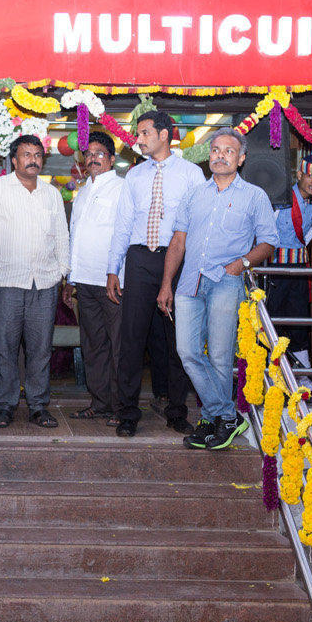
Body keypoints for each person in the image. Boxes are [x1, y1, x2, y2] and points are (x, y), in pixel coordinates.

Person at [157, 128, 277, 450]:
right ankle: (226, 415)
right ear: (209, 155)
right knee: (187, 352)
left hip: (227, 280)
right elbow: (178, 241)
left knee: (221, 357)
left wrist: (241, 264)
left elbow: (269, 241)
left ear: (241, 159)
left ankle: (212, 422)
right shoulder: (194, 194)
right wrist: (166, 283)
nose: (220, 155)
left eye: (228, 151)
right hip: (188, 282)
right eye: (216, 150)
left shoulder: (255, 196)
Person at [106, 110, 203, 437]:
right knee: (131, 340)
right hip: (138, 260)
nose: (139, 139)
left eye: (145, 132)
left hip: (178, 261)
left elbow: (198, 226)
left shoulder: (191, 174)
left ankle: (177, 411)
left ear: (165, 134)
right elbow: (122, 224)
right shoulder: (134, 175)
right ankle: (128, 414)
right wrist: (113, 269)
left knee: (178, 341)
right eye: (139, 133)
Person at [0, 134, 70, 430]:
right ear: (14, 160)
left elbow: (62, 237)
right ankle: (5, 405)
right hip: (6, 282)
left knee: (41, 348)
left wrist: (62, 273)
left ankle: (39, 406)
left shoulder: (52, 193)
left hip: (44, 283)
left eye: (37, 154)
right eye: (26, 154)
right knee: (5, 347)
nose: (33, 159)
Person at [65, 131, 124, 422]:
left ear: (112, 159)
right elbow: (75, 236)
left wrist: (117, 273)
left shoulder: (122, 189)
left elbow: (124, 236)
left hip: (112, 282)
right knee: (92, 345)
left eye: (100, 153)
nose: (93, 158)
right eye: (88, 154)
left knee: (118, 346)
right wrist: (70, 278)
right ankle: (99, 403)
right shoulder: (83, 190)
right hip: (84, 281)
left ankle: (119, 407)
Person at [266, 152, 312, 394]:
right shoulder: (280, 198)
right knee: (270, 322)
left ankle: (303, 378)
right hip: (273, 267)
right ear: (300, 174)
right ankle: (270, 377)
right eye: (310, 176)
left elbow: (309, 237)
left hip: (299, 269)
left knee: (300, 321)